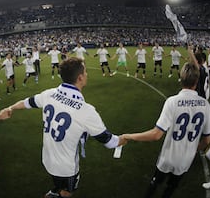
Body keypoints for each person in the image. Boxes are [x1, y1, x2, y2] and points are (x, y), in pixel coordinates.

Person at [8, 57, 127, 198]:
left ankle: (54, 191)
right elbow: (109, 142)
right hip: (66, 167)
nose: (87, 74)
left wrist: (11, 107)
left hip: (47, 158)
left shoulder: (49, 94)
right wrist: (124, 138)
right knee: (67, 192)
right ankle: (56, 193)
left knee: (58, 184)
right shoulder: (86, 110)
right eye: (86, 72)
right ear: (80, 78)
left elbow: (27, 103)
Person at [122, 61, 210, 198]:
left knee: (155, 183)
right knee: (171, 187)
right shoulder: (206, 105)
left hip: (168, 157)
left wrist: (128, 136)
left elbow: (156, 134)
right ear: (197, 81)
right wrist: (192, 148)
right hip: (186, 159)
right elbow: (206, 141)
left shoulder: (172, 101)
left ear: (181, 79)